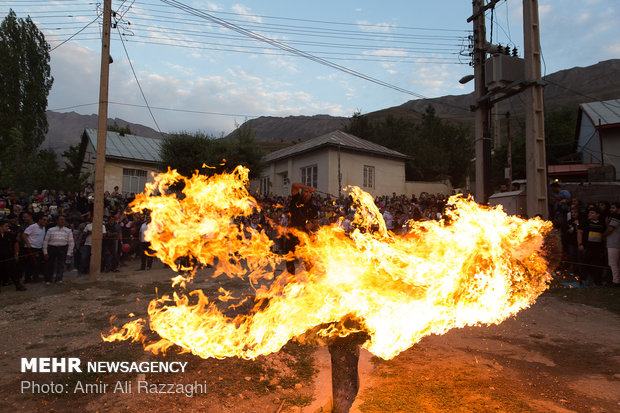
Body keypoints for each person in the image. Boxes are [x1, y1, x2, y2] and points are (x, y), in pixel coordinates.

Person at [285, 183, 319, 275]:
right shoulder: (296, 200)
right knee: (290, 259)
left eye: (309, 192)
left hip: (304, 235)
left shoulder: (313, 208)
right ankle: (291, 280)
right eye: (305, 192)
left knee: (307, 258)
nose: (307, 194)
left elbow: (316, 223)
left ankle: (311, 280)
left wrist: (311, 225)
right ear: (302, 192)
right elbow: (294, 185)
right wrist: (308, 187)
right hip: (291, 234)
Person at [578, 208, 606, 286]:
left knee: (597, 265)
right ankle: (583, 280)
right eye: (589, 213)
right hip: (587, 247)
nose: (590, 214)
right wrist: (580, 244)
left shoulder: (602, 223)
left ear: (598, 214)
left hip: (597, 248)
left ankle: (597, 280)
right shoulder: (585, 222)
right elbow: (580, 232)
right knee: (585, 264)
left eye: (592, 213)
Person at [42, 215, 74, 285]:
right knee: (50, 264)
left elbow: (71, 243)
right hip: (52, 248)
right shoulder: (51, 230)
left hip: (63, 248)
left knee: (61, 264)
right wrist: (45, 252)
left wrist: (69, 253)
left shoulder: (68, 230)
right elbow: (45, 241)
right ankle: (48, 279)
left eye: (63, 220)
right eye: (60, 219)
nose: (62, 221)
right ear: (57, 221)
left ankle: (59, 279)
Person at [0, 219, 27, 291]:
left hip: (8, 256)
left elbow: (16, 243)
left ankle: (18, 285)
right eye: (6, 226)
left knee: (13, 271)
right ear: (1, 227)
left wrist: (16, 253)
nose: (7, 228)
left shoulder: (9, 234)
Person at [22, 213, 47, 283]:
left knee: (36, 263)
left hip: (38, 248)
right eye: (44, 220)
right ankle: (30, 278)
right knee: (33, 263)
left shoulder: (44, 228)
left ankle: (32, 278)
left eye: (46, 220)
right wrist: (28, 244)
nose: (45, 222)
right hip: (31, 247)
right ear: (40, 220)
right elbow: (24, 235)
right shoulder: (33, 226)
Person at [605, 202, 620, 287]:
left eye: (613, 208)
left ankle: (616, 281)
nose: (611, 210)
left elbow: (610, 229)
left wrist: (603, 236)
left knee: (613, 263)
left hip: (614, 243)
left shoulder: (616, 217)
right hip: (616, 243)